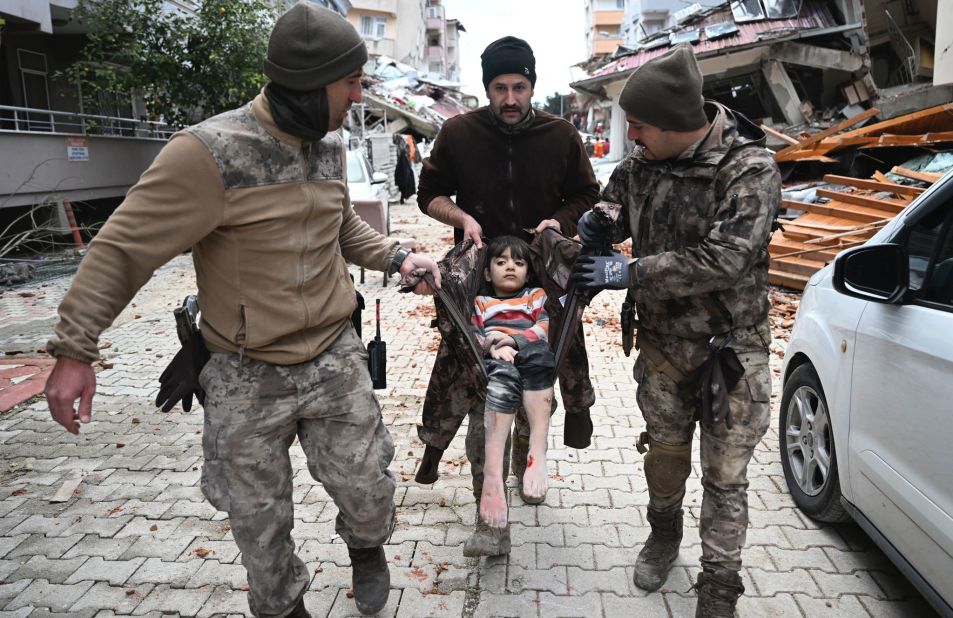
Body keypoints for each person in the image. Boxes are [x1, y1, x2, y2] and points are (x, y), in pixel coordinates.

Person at [43, 4, 442, 617]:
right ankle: (282, 606)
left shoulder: (328, 145)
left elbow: (341, 230)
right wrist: (76, 349)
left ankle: (366, 550)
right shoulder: (209, 153)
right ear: (311, 87)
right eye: (352, 83)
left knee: (369, 488)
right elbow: (123, 249)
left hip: (335, 355)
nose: (360, 94)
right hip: (245, 372)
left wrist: (397, 257)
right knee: (257, 518)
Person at [572, 44, 781, 617]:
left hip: (730, 352)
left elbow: (726, 259)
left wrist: (631, 270)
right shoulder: (642, 164)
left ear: (673, 124)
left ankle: (719, 587)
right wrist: (600, 222)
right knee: (664, 453)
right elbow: (616, 204)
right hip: (662, 346)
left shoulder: (748, 170)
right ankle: (663, 534)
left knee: (726, 473)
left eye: (638, 126)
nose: (631, 137)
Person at [413, 35, 599, 557]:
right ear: (486, 88)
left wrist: (557, 223)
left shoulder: (561, 135)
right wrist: (463, 217)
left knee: (542, 378)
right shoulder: (458, 133)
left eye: (519, 87)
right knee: (484, 394)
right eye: (500, 88)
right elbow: (428, 194)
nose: (511, 98)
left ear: (533, 85)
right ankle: (489, 520)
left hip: (544, 285)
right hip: (480, 288)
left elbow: (588, 194)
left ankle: (531, 461)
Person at [471, 236, 555, 529]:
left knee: (541, 359)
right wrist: (493, 347)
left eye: (518, 263)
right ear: (486, 272)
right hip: (499, 357)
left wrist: (515, 340)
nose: (510, 267)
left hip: (528, 350)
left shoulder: (535, 295)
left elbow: (544, 326)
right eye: (501, 261)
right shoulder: (481, 302)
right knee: (502, 379)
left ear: (528, 272)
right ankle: (493, 475)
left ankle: (537, 447)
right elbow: (475, 334)